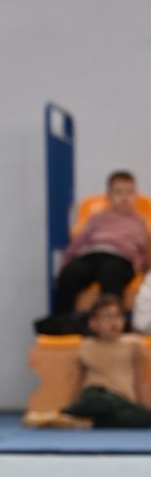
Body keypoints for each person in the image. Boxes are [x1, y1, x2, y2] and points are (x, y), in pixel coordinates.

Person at [46, 172, 150, 319]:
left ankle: (112, 323)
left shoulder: (140, 223)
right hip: (92, 255)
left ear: (135, 196)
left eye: (129, 192)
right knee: (71, 273)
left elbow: (145, 251)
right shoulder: (97, 219)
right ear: (109, 196)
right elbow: (78, 243)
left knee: (110, 272)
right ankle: (62, 323)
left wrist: (142, 268)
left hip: (121, 259)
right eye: (118, 192)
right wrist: (65, 264)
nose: (124, 197)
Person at [58, 295, 151, 428]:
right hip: (95, 393)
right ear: (93, 323)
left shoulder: (133, 344)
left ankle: (92, 421)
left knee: (144, 416)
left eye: (118, 316)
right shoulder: (87, 345)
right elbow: (78, 381)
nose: (114, 321)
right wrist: (72, 403)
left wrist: (144, 407)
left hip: (122, 400)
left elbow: (141, 381)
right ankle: (67, 413)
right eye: (107, 317)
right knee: (101, 401)